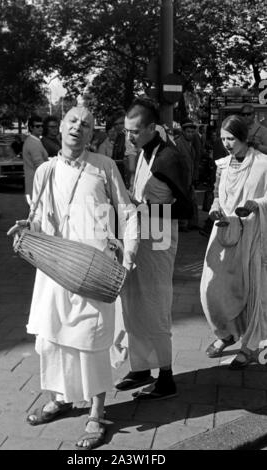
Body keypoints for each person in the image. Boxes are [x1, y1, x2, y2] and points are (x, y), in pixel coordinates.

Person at [7, 104, 138, 449]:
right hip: (55, 266)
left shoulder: (104, 167)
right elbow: (41, 218)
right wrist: (28, 226)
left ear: (92, 134)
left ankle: (97, 412)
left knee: (92, 339)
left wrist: (130, 252)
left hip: (95, 268)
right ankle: (60, 398)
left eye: (86, 124)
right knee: (52, 338)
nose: (78, 128)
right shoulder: (45, 171)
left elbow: (128, 213)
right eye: (72, 121)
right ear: (61, 127)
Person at [116, 97, 192, 400]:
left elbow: (186, 210)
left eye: (134, 131)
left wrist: (142, 211)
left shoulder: (168, 157)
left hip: (159, 237)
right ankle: (140, 368)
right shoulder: (146, 151)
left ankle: (166, 376)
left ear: (151, 128)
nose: (129, 137)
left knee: (156, 304)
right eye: (125, 131)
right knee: (133, 301)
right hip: (139, 235)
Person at [201, 114, 267, 369]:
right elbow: (218, 197)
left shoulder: (262, 163)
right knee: (212, 289)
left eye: (231, 138)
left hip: (252, 234)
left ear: (242, 137)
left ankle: (250, 346)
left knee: (251, 289)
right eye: (223, 139)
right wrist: (215, 209)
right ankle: (225, 333)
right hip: (223, 232)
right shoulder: (223, 165)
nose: (226, 143)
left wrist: (256, 204)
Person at [175, 118, 199, 231]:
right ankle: (182, 224)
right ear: (183, 132)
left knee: (191, 200)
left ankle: (191, 223)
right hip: (181, 178)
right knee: (183, 201)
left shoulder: (191, 143)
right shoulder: (178, 143)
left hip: (189, 178)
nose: (190, 134)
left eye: (192, 132)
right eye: (188, 132)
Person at [22, 115, 49, 205]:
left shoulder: (34, 141)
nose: (40, 128)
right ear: (31, 128)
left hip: (34, 184)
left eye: (42, 126)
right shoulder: (33, 143)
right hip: (36, 186)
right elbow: (40, 166)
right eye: (37, 126)